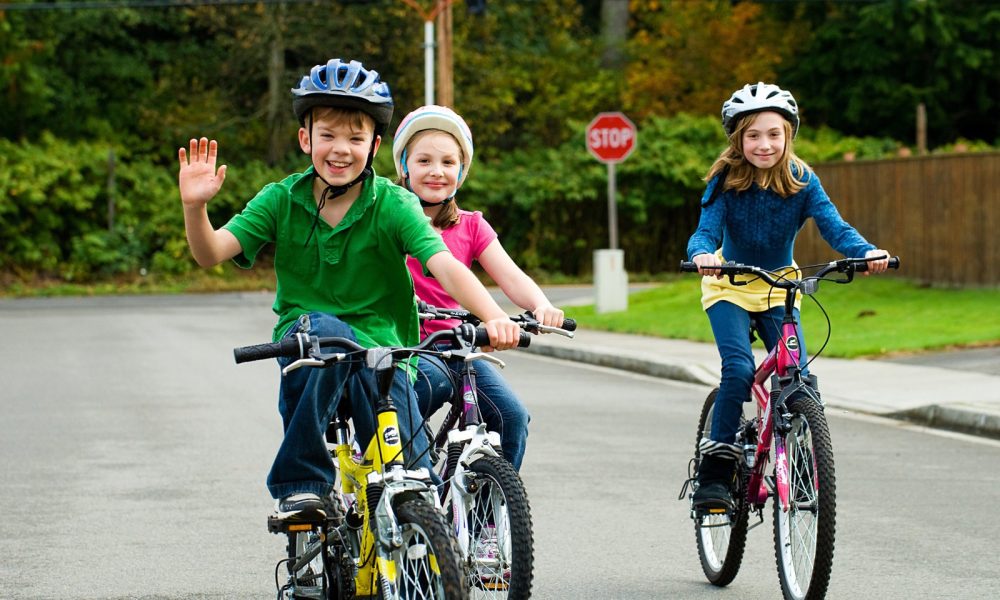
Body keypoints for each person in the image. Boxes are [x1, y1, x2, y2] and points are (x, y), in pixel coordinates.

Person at [176, 59, 522, 522]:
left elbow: (444, 266)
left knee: (414, 488)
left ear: (375, 146)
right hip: (315, 348)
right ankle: (303, 485)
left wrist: (491, 315)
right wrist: (194, 208)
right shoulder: (280, 200)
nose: (341, 150)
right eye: (329, 136)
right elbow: (210, 252)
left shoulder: (394, 203)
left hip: (386, 355)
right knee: (324, 331)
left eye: (356, 139)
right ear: (306, 139)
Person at [686, 82, 891, 509]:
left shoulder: (802, 180)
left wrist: (866, 252)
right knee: (739, 369)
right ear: (738, 138)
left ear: (789, 135)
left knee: (797, 375)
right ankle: (716, 475)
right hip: (730, 285)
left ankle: (799, 466)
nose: (764, 144)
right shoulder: (726, 180)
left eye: (774, 134)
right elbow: (705, 230)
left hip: (780, 286)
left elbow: (833, 226)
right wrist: (703, 254)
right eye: (754, 135)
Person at [391, 105, 565, 470]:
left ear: (461, 171)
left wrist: (541, 305)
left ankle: (485, 517)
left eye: (448, 162)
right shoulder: (389, 219)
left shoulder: (471, 226)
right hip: (406, 348)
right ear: (404, 167)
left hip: (459, 346)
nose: (437, 171)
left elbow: (512, 277)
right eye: (424, 161)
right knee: (407, 413)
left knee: (511, 418)